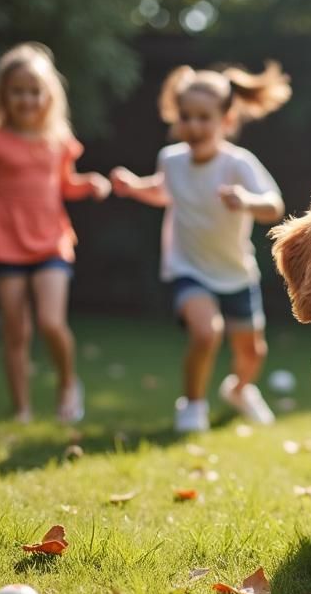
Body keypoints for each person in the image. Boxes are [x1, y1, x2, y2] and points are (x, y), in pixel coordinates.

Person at [110, 62, 290, 433]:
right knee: (206, 333)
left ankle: (240, 389)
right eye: (186, 117)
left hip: (236, 271)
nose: (193, 126)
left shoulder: (238, 163)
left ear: (226, 120)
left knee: (252, 352)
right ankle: (192, 405)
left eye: (203, 118)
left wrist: (246, 200)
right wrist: (133, 187)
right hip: (187, 267)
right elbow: (164, 191)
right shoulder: (171, 159)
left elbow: (274, 206)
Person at [0, 43, 110, 424]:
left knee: (52, 322)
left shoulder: (58, 143)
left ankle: (68, 383)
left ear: (49, 95)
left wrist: (91, 184)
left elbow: (65, 186)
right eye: (18, 91)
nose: (27, 99)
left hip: (51, 241)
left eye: (34, 91)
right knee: (16, 331)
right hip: (5, 244)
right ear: (3, 95)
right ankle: (21, 409)